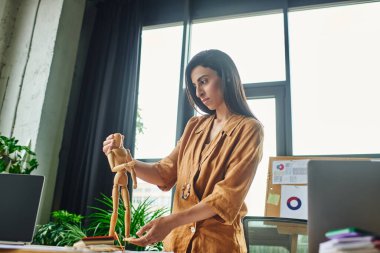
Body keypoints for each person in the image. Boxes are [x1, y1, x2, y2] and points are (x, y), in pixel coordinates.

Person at [102, 49, 264, 253]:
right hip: (177, 244)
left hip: (217, 246)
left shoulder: (249, 129)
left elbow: (226, 197)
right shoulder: (194, 126)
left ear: (227, 78)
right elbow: (163, 173)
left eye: (204, 81)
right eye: (195, 86)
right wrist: (127, 160)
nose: (198, 93)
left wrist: (170, 221)